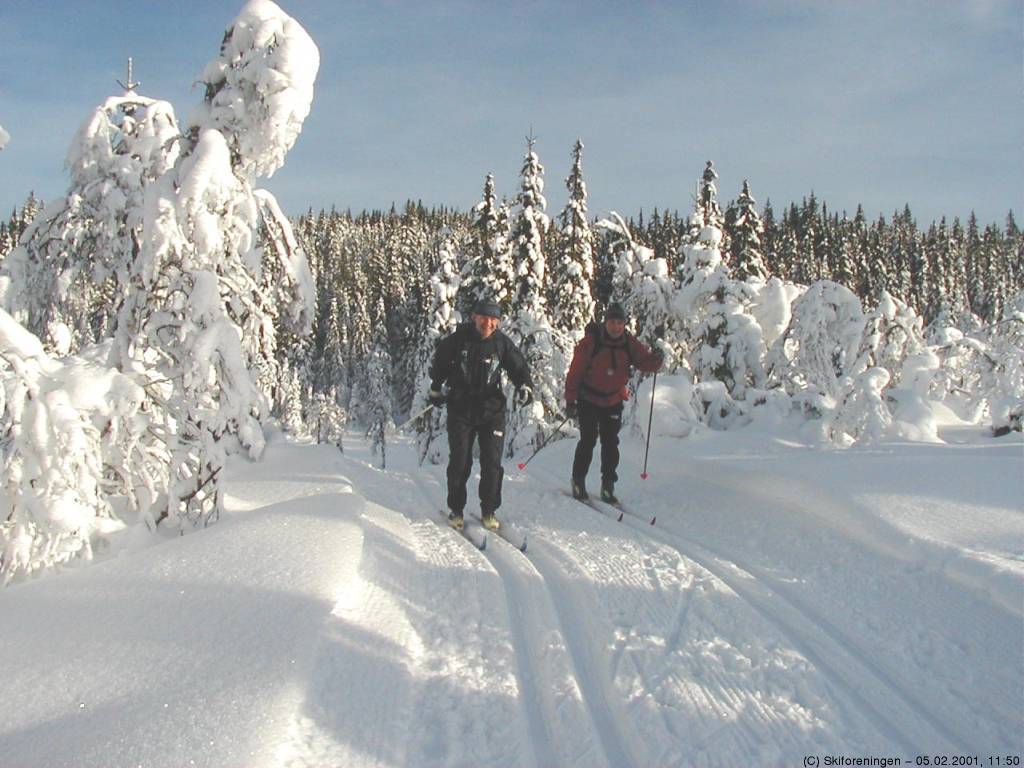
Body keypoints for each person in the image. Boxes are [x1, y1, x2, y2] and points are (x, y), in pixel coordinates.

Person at [428, 299, 534, 531]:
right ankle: (456, 510)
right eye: (484, 318)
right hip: (461, 409)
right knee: (460, 461)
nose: (488, 323)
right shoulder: (457, 341)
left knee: (492, 463)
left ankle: (489, 510)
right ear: (474, 317)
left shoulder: (501, 343)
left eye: (493, 319)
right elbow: (439, 364)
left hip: (492, 410)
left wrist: (524, 386)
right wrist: (436, 388)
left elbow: (519, 367)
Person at [564, 302, 663, 504]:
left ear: (624, 324)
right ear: (606, 322)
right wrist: (571, 400)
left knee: (610, 443)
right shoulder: (591, 343)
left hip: (613, 399)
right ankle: (578, 480)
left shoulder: (629, 343)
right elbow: (575, 372)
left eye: (619, 323)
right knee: (589, 439)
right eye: (612, 322)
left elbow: (645, 362)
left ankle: (608, 485)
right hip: (588, 399)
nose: (616, 327)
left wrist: (656, 360)